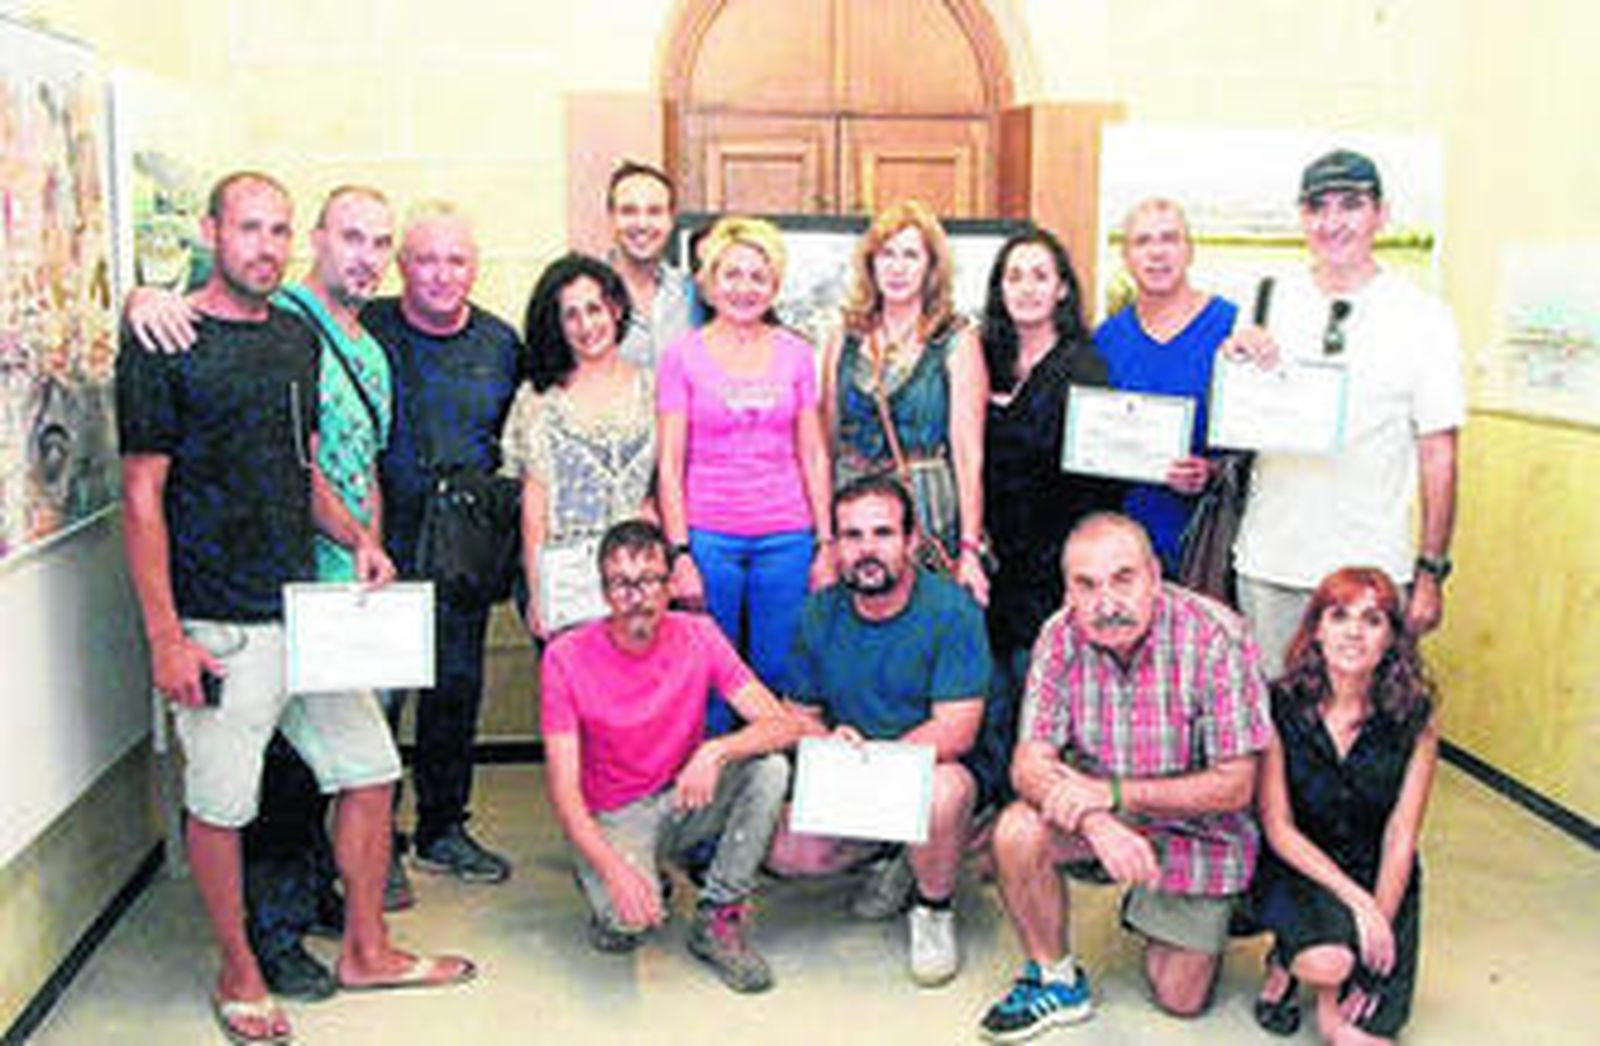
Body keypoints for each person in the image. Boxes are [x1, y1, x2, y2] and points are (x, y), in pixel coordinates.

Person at [117, 172, 473, 1046]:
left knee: (370, 768)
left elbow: (303, 469)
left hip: (305, 608)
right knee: (223, 802)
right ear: (212, 232)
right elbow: (140, 498)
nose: (266, 247)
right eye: (250, 229)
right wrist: (166, 635)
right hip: (220, 622)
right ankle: (238, 969)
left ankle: (367, 949)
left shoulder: (292, 340)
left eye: (278, 230)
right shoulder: (165, 340)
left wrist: (358, 538)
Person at [978, 513, 1270, 1041]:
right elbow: (1028, 764)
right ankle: (1056, 979)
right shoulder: (1059, 636)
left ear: (1155, 575)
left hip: (1197, 825)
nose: (1106, 603)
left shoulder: (1216, 638)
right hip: (1100, 810)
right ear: (1068, 591)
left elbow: (1236, 785)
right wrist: (1096, 818)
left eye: (1123, 579)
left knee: (1180, 1000)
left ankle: (1203, 908)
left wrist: (1112, 792)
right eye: (1086, 585)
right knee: (1016, 832)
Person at [540, 519, 803, 993]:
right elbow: (563, 793)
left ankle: (718, 917)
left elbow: (783, 725)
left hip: (683, 796)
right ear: (603, 592)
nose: (636, 596)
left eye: (649, 581)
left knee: (769, 769)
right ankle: (632, 873)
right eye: (622, 584)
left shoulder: (699, 634)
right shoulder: (564, 657)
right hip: (614, 814)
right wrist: (614, 870)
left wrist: (717, 749)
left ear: (669, 586)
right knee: (626, 924)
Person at [1228, 149, 1464, 676]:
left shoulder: (1424, 318)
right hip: (1271, 561)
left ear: (1380, 214)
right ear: (1302, 216)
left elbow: (1439, 455)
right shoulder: (1265, 300)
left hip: (1372, 571)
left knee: (1364, 730)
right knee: (1275, 728)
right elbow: (1239, 424)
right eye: (1317, 207)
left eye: (1350, 205)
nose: (1332, 223)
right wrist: (1235, 370)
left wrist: (1430, 573)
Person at [765, 475, 992, 987]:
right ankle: (898, 856)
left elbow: (957, 729)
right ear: (836, 545)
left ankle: (933, 908)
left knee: (947, 791)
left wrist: (872, 761)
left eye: (883, 533)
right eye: (852, 536)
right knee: (783, 851)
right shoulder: (818, 612)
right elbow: (796, 712)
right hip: (853, 769)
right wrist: (826, 743)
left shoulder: (952, 611)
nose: (867, 550)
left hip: (926, 767)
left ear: (911, 542)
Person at [362, 202, 524, 884]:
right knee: (377, 697)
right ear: (402, 266)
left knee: (456, 688)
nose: (440, 274)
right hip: (380, 540)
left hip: (463, 544)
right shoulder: (366, 328)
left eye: (455, 260)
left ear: (474, 267)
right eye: (426, 259)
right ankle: (374, 841)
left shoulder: (500, 342)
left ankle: (442, 828)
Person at [657, 215, 833, 730]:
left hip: (787, 536)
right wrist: (680, 551)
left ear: (775, 285)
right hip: (709, 536)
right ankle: (715, 797)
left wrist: (824, 544)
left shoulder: (798, 355)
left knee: (781, 672)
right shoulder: (682, 357)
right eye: (732, 275)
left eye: (758, 277)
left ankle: (775, 793)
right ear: (709, 283)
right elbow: (670, 463)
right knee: (712, 675)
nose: (744, 288)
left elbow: (814, 454)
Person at [1251, 567, 1439, 1044]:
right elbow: (1279, 829)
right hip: (1302, 867)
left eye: (1373, 620)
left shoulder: (1415, 720)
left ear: (1392, 640)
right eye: (1339, 616)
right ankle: (1290, 964)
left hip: (1379, 875)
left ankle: (1332, 992)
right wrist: (1357, 907)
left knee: (1376, 1019)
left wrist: (1378, 918)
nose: (1354, 631)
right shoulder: (1279, 706)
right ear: (1317, 629)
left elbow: (1401, 836)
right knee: (1332, 962)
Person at [979, 227, 1123, 810]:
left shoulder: (1085, 366)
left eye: (1041, 275)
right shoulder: (982, 358)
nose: (1027, 288)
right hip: (987, 562)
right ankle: (982, 814)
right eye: (1015, 275)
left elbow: (1102, 480)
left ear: (1062, 288)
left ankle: (1027, 819)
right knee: (985, 698)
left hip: (1051, 566)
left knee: (1034, 699)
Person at [822, 199, 989, 605]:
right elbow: (824, 443)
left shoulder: (955, 340)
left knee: (925, 627)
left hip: (927, 507)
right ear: (870, 264)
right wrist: (824, 539)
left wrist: (969, 549)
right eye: (887, 254)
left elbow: (968, 455)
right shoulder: (844, 337)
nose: (897, 267)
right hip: (853, 504)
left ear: (931, 267)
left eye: (911, 255)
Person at [502, 253, 655, 640]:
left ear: (616, 309)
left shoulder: (654, 389)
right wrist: (540, 594)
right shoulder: (538, 400)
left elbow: (667, 482)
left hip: (639, 581)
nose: (587, 325)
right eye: (571, 315)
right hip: (568, 583)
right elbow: (534, 507)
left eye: (594, 309)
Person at [1095, 198, 1239, 575]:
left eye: (1169, 239)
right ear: (1126, 257)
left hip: (1206, 546)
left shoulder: (1233, 329)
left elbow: (1259, 448)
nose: (1157, 253)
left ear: (1189, 250)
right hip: (1124, 549)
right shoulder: (1106, 340)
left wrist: (1210, 470)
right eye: (1142, 242)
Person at [605, 160, 694, 369]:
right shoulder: (585, 295)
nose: (642, 224)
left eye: (654, 212)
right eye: (629, 211)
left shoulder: (695, 295)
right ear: (611, 218)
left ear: (671, 219)